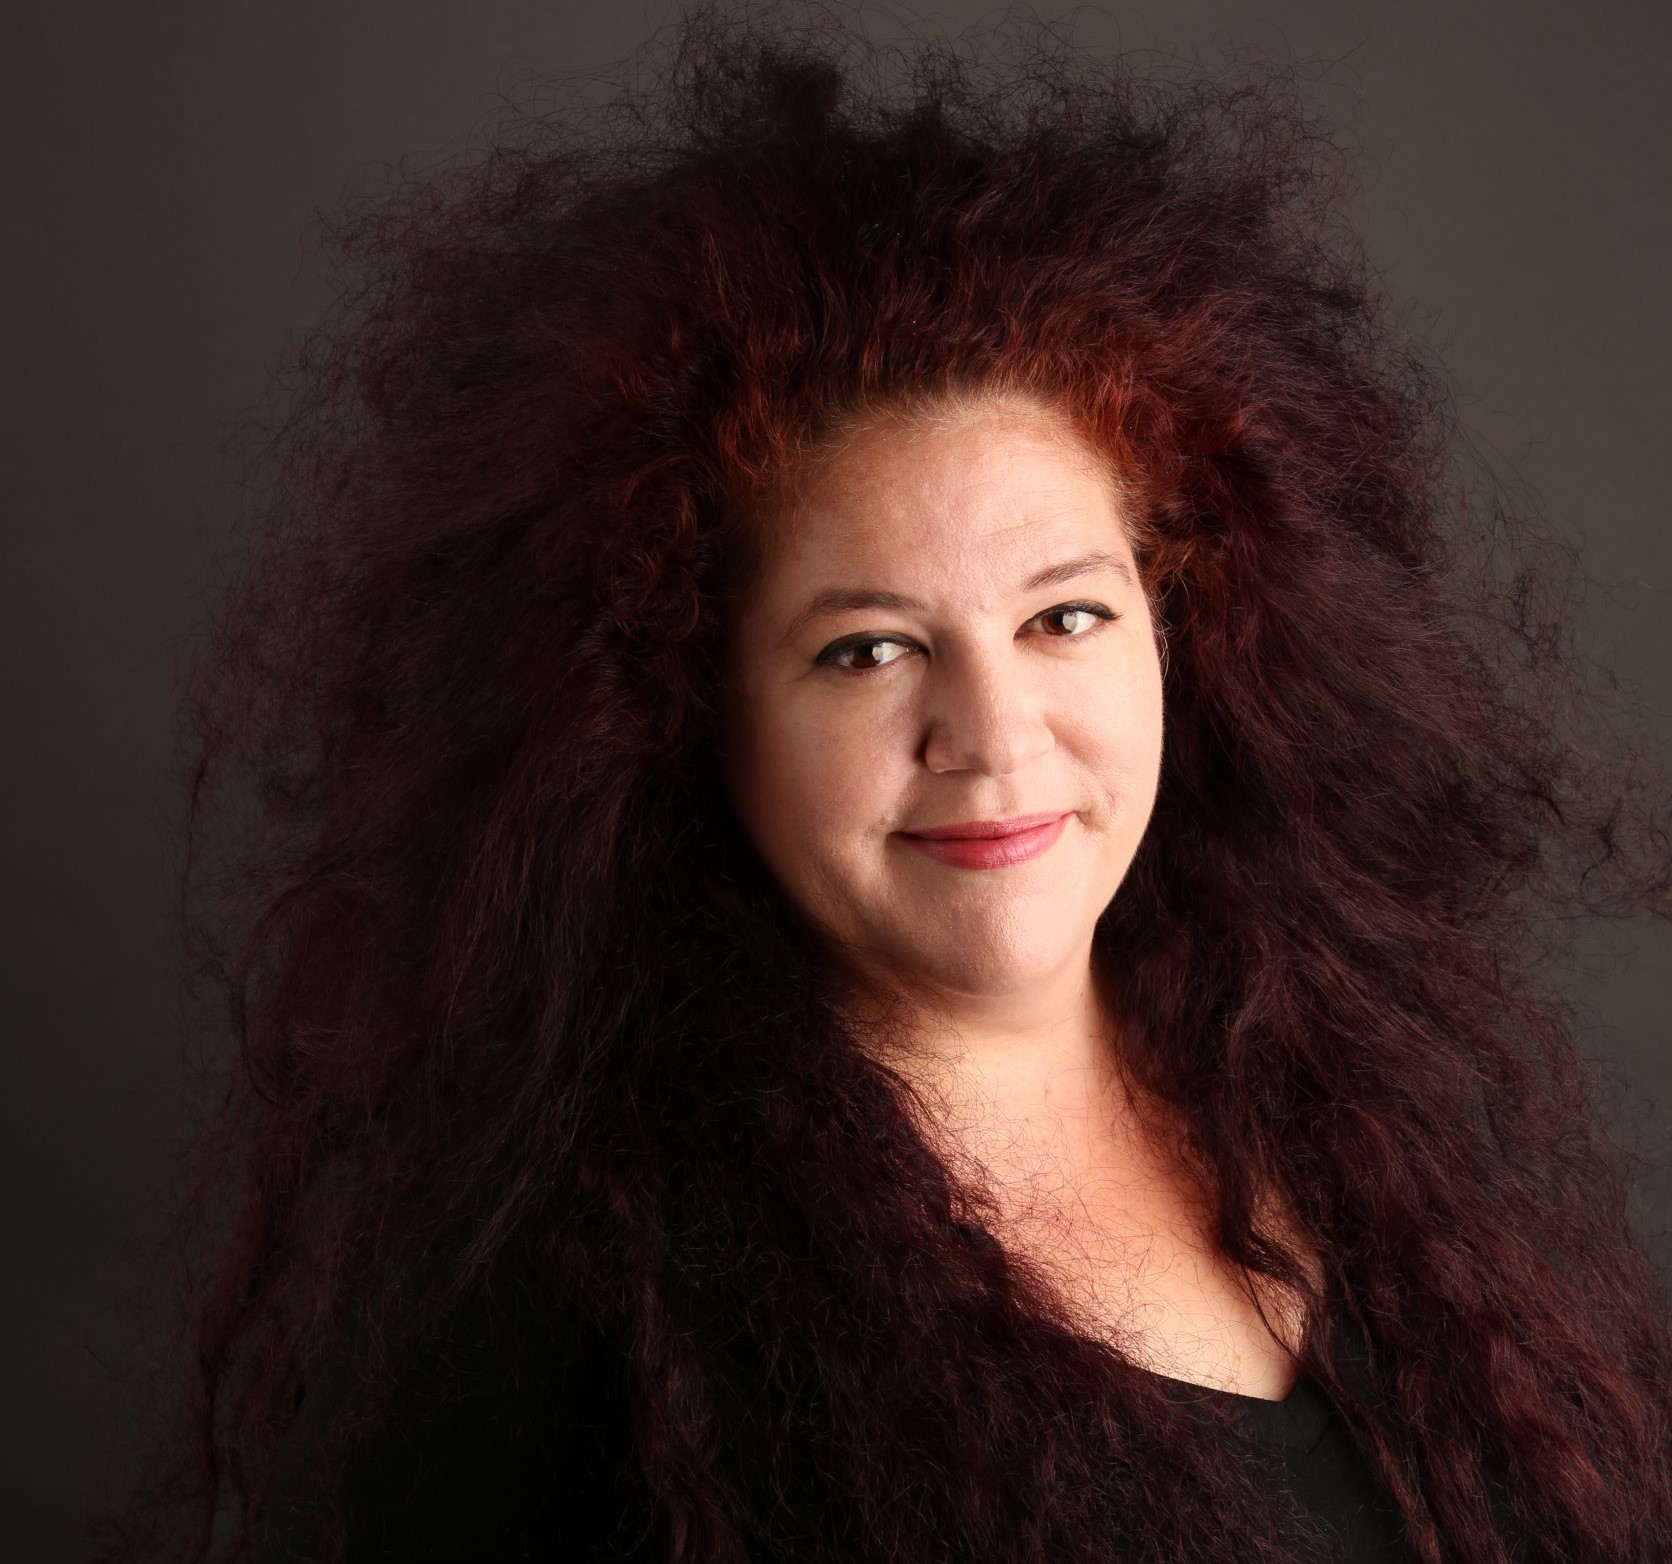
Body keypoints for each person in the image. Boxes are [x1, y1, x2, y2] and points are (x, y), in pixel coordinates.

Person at [96, 6, 1672, 1563]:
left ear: (1181, 626)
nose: (993, 733)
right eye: (868, 650)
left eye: (1065, 617)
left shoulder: (1339, 1116)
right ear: (679, 710)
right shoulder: (569, 1309)